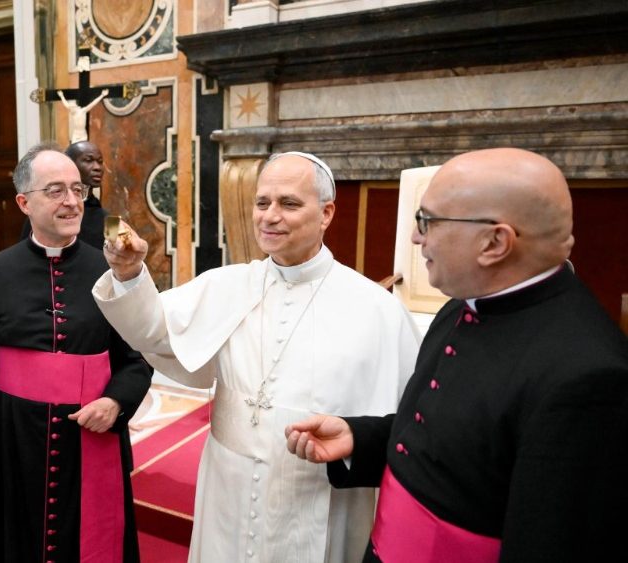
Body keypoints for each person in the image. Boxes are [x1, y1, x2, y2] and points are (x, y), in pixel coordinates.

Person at [285, 148, 628, 562]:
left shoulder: (588, 376)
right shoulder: (462, 304)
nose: (416, 238)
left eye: (427, 221)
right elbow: (458, 439)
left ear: (495, 242)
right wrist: (360, 438)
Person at [93, 152, 421, 562]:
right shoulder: (228, 285)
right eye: (262, 202)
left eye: (289, 203)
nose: (270, 216)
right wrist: (128, 275)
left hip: (318, 496)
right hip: (228, 492)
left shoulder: (376, 310)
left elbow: (410, 425)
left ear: (326, 213)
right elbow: (153, 331)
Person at [0, 142, 152, 562]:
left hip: (89, 441)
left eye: (77, 190)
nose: (72, 201)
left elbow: (138, 358)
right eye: (56, 191)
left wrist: (115, 401)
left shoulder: (110, 271)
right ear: (24, 202)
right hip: (10, 444)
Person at [23, 140, 110, 249]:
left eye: (100, 162)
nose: (97, 167)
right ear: (70, 163)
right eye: (88, 160)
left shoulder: (106, 218)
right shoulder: (43, 213)